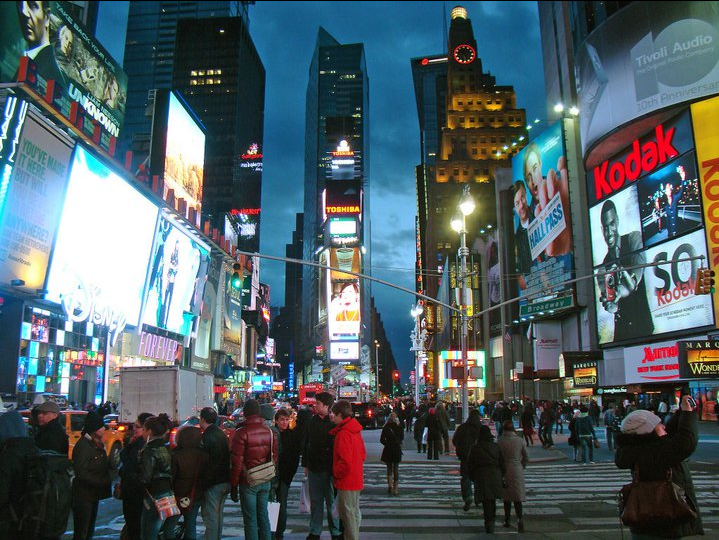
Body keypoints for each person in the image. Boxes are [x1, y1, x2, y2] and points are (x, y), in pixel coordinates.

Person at [615, 397, 703, 538]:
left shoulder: (637, 448)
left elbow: (667, 432)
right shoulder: (656, 451)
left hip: (645, 518)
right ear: (649, 432)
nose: (663, 427)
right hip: (662, 517)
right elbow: (686, 442)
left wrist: (681, 412)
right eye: (659, 426)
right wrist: (688, 413)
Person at [598, 199, 654, 342]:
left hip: (644, 331)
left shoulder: (633, 239)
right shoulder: (603, 267)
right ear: (601, 230)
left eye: (612, 224)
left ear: (617, 221)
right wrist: (612, 305)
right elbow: (612, 302)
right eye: (605, 227)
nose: (609, 233)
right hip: (622, 336)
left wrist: (625, 285)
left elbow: (636, 277)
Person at [230, 399, 277, 540]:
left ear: (245, 413)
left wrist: (233, 485)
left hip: (249, 481)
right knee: (263, 515)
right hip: (266, 478)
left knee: (250, 519)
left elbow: (237, 462)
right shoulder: (269, 432)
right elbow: (274, 458)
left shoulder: (241, 433)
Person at [302, 392, 342, 540]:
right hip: (314, 467)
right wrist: (305, 464)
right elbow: (306, 443)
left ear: (326, 406)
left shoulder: (333, 422)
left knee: (332, 501)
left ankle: (335, 531)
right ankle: (315, 531)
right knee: (316, 501)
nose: (315, 405)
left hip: (329, 469)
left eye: (318, 403)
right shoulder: (312, 421)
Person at [523, 142, 572, 257]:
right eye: (528, 177)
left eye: (535, 169)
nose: (533, 181)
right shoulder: (528, 217)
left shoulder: (560, 189)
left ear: (540, 165)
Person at [329, 400, 366, 540]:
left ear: (340, 414)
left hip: (346, 480)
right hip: (356, 477)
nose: (331, 416)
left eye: (333, 413)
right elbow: (362, 454)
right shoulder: (354, 430)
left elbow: (344, 461)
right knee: (354, 511)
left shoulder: (343, 433)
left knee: (348, 514)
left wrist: (336, 473)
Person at [71, 412, 112, 540]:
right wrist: (101, 481)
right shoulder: (84, 445)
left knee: (89, 529)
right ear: (94, 429)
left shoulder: (94, 443)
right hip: (84, 495)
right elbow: (81, 472)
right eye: (101, 427)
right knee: (82, 531)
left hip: (92, 494)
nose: (104, 429)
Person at [139, 416, 180, 540]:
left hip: (153, 494)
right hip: (166, 492)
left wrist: (133, 478)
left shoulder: (150, 450)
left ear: (149, 432)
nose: (143, 432)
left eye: (144, 429)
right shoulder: (166, 448)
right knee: (157, 527)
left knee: (149, 531)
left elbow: (146, 476)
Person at [14, 1, 66, 88]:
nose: (24, 12)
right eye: (20, 5)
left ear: (47, 16)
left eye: (33, 5)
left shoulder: (53, 77)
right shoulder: (28, 59)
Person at [0, 410, 34, 540]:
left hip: (11, 520)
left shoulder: (8, 457)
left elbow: (2, 494)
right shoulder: (34, 450)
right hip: (33, 518)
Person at [119, 412, 153, 540]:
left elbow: (131, 467)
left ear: (146, 430)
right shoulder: (137, 444)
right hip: (133, 492)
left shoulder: (142, 447)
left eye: (137, 426)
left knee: (135, 526)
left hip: (135, 493)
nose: (134, 428)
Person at [199, 407, 231, 540]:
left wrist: (204, 483)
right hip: (225, 480)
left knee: (211, 516)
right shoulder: (220, 433)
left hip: (214, 483)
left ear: (202, 419)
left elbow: (208, 463)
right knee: (218, 515)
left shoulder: (207, 436)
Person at [172, 426, 209, 540]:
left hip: (177, 495)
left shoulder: (175, 454)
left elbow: (171, 476)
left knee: (170, 524)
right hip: (195, 494)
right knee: (191, 522)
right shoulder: (204, 455)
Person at [468, 425, 504, 534]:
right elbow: (502, 463)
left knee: (485, 500)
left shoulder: (475, 447)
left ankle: (488, 521)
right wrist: (502, 475)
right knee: (492, 498)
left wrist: (473, 477)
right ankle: (491, 519)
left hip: (481, 475)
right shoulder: (496, 447)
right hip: (494, 474)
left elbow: (470, 464)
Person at [274, 408, 301, 540]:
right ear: (277, 421)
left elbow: (295, 458)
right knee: (273, 504)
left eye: (286, 420)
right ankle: (273, 531)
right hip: (272, 475)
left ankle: (279, 532)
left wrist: (288, 476)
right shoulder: (272, 433)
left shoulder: (292, 435)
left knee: (282, 505)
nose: (284, 422)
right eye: (282, 420)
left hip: (284, 476)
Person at [498, 420, 528, 532]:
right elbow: (526, 457)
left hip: (505, 469)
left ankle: (507, 519)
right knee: (517, 497)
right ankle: (520, 519)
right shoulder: (519, 441)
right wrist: (521, 466)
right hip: (517, 469)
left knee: (506, 497)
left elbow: (498, 457)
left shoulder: (500, 441)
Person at [452, 408, 482, 511]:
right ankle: (479, 497)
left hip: (465, 457)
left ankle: (468, 496)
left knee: (466, 478)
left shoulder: (462, 427)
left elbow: (454, 440)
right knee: (479, 478)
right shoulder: (481, 428)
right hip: (478, 457)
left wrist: (460, 449)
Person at [512, 181, 533, 290]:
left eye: (523, 198)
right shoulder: (517, 238)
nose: (522, 205)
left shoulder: (539, 212)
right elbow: (519, 273)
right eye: (517, 203)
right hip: (534, 291)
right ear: (514, 208)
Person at [380, 412, 404, 496]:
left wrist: (387, 444)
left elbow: (382, 439)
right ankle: (396, 489)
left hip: (388, 449)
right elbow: (401, 437)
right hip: (396, 449)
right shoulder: (399, 427)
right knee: (396, 468)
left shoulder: (386, 427)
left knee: (389, 468)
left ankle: (389, 485)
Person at [663, 165, 687, 238]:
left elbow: (682, 190)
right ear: (665, 192)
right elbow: (668, 221)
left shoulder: (675, 198)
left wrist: (683, 178)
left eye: (670, 188)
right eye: (667, 189)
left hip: (679, 231)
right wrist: (669, 233)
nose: (669, 190)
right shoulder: (666, 206)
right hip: (671, 234)